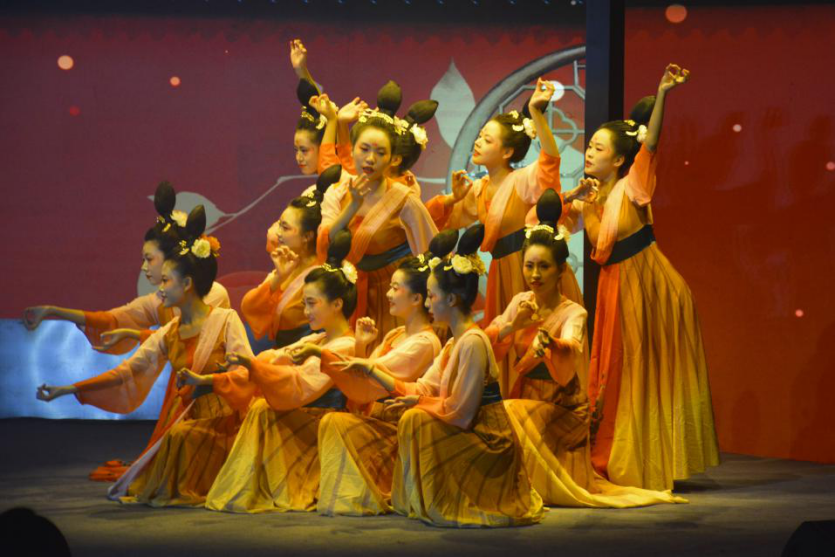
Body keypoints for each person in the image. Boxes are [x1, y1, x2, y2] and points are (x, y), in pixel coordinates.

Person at [561, 64, 719, 491]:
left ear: (619, 159)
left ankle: (641, 456)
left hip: (649, 286)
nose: (589, 153)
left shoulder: (633, 185)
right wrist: (572, 199)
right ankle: (611, 451)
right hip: (616, 284)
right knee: (613, 370)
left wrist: (662, 92)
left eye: (598, 148)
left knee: (637, 372)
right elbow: (552, 225)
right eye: (589, 146)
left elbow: (650, 144)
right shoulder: (590, 196)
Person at [37, 206, 254, 507]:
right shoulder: (171, 331)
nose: (160, 288)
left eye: (166, 280)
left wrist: (208, 382)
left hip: (226, 416)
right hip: (187, 411)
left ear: (186, 282)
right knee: (175, 438)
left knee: (179, 437)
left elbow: (245, 371)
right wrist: (71, 389)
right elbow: (129, 370)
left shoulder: (223, 315)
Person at [486, 190, 684, 507]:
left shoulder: (573, 312)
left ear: (561, 270)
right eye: (529, 266)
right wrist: (513, 325)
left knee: (508, 411)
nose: (534, 275)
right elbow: (490, 341)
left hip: (562, 406)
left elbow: (571, 347)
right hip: (527, 395)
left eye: (544, 267)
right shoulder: (519, 303)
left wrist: (550, 344)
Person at [180, 231, 358, 513]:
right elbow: (275, 358)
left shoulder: (345, 346)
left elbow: (301, 384)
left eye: (311, 303)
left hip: (320, 424)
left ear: (337, 304)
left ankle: (253, 487)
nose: (305, 310)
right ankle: (246, 486)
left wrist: (254, 368)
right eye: (304, 303)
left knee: (262, 408)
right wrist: (216, 378)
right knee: (259, 405)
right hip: (303, 414)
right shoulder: (318, 339)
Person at [386, 225, 544, 527]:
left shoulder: (472, 342)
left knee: (417, 419)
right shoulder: (454, 342)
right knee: (412, 417)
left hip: (488, 440)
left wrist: (418, 403)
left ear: (451, 300)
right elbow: (427, 387)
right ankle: (419, 500)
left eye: (431, 296)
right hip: (470, 428)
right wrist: (402, 393)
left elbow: (461, 413)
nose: (427, 304)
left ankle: (442, 500)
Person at [314, 232, 456, 516]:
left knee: (334, 422)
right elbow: (363, 379)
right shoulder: (395, 334)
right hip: (375, 418)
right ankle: (346, 496)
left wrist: (320, 355)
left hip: (395, 429)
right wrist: (361, 345)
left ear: (416, 298)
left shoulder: (425, 342)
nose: (388, 294)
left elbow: (372, 375)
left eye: (395, 288)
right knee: (334, 421)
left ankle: (361, 496)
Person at [426, 79, 582, 325]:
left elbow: (550, 160)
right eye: (480, 136)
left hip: (531, 270)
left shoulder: (522, 180)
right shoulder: (478, 189)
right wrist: (453, 198)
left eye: (487, 140)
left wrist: (535, 113)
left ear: (507, 152)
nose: (478, 142)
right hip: (501, 272)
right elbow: (437, 222)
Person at [318, 85, 438, 343]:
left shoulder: (405, 200)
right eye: (364, 149)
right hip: (351, 295)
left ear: (393, 159)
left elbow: (431, 255)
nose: (370, 159)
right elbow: (327, 243)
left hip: (395, 297)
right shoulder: (338, 192)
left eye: (380, 152)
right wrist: (353, 206)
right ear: (351, 149)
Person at [244, 165, 342, 351]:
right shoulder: (288, 262)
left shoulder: (321, 275)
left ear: (307, 236)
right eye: (279, 225)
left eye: (286, 228)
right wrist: (278, 278)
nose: (278, 233)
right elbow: (250, 307)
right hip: (281, 349)